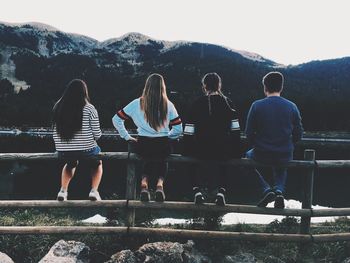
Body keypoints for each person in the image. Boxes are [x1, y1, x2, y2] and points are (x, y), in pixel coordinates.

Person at [112, 73, 182, 202]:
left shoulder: (136, 103)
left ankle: (144, 184)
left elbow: (116, 119)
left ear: (147, 86)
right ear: (163, 87)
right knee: (163, 159)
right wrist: (168, 136)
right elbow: (178, 129)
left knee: (146, 159)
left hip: (143, 143)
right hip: (162, 144)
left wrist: (126, 136)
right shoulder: (168, 105)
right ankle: (160, 184)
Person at [245, 71, 303, 209]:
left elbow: (248, 133)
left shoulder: (256, 105)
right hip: (284, 152)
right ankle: (279, 192)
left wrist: (258, 144)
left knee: (246, 159)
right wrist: (288, 144)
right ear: (281, 87)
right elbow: (298, 133)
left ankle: (266, 190)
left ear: (265, 87)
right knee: (281, 168)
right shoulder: (292, 106)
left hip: (261, 152)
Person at [183, 73, 242, 206]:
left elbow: (188, 131)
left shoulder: (197, 103)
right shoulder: (228, 103)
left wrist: (187, 148)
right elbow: (235, 130)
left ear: (204, 86)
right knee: (225, 164)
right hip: (223, 149)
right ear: (219, 85)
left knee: (191, 164)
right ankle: (221, 192)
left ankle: (197, 191)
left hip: (201, 149)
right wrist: (236, 149)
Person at [53, 79, 103, 201]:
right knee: (97, 163)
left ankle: (63, 191)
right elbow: (97, 134)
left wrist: (61, 146)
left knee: (71, 163)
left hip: (63, 150)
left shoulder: (58, 107)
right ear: (84, 92)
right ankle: (94, 191)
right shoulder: (89, 108)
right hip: (87, 150)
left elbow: (54, 131)